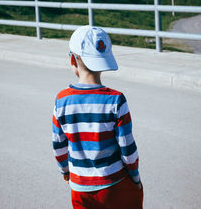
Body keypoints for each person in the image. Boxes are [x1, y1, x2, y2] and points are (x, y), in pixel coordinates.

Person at [52, 25, 143, 209]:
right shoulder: (116, 100)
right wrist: (135, 178)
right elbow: (128, 148)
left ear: (72, 59)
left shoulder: (61, 100)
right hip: (113, 184)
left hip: (79, 188)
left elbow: (58, 145)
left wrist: (66, 171)